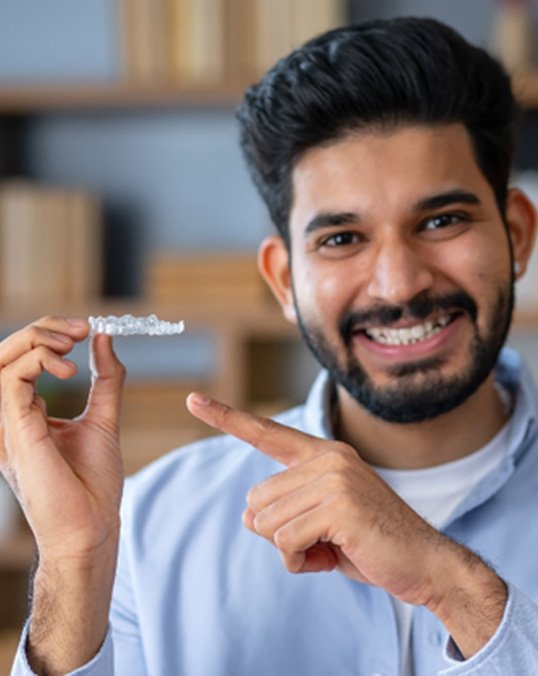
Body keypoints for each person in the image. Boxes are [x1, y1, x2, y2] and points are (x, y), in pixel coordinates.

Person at [5, 15, 538, 676]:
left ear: (516, 233)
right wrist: (74, 563)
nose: (399, 283)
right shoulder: (150, 524)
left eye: (441, 220)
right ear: (284, 280)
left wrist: (456, 589)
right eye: (341, 238)